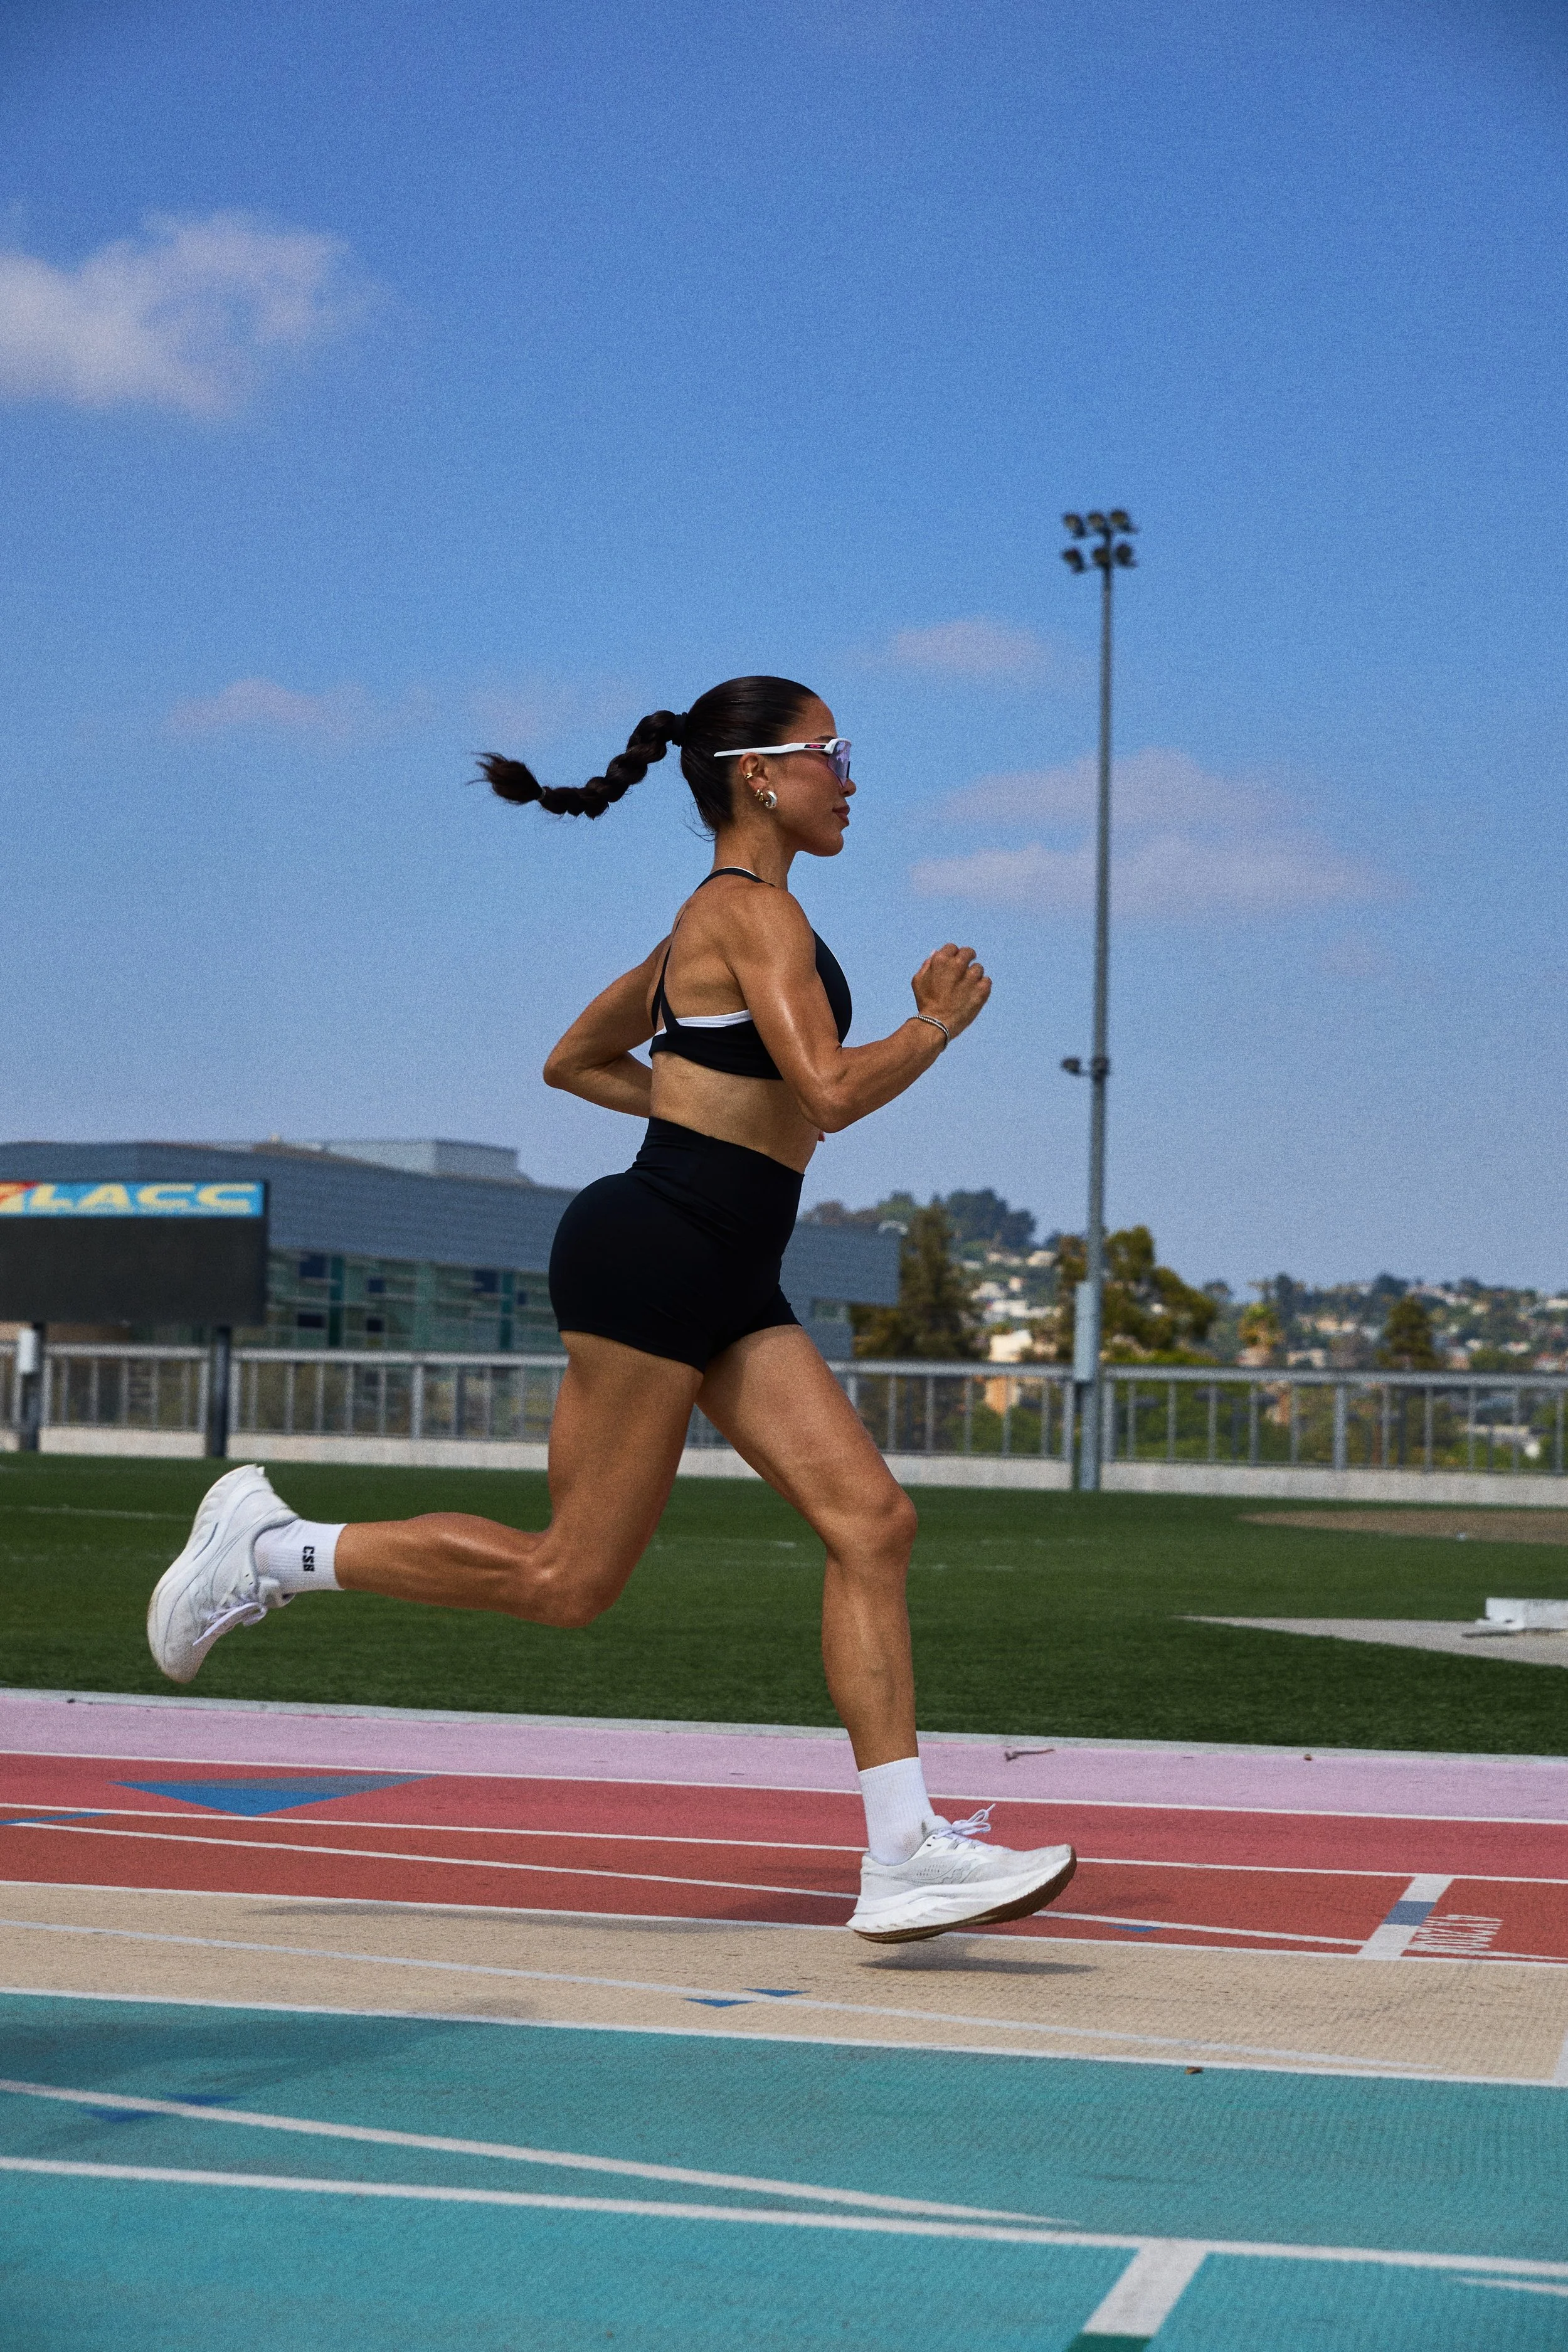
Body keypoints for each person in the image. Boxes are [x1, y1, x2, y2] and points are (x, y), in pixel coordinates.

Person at [147, 677, 1075, 1943]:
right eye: (829, 753)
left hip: (725, 1266)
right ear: (757, 773)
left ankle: (904, 1850)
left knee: (872, 1522)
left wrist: (704, 1115)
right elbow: (831, 1091)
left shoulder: (721, 926)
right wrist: (933, 1023)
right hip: (657, 1254)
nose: (848, 777)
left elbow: (575, 1061)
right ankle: (268, 1551)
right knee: (564, 1577)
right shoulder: (743, 914)